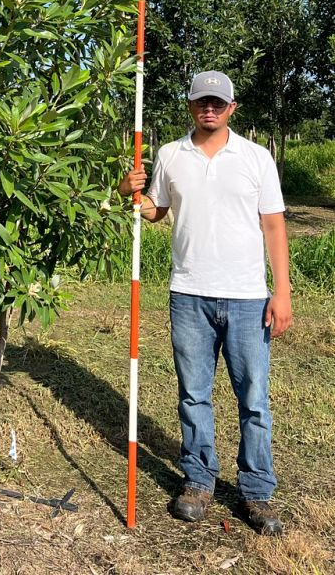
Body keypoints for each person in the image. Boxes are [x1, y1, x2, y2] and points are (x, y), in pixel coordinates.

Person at [119, 70, 292, 536]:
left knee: (253, 400)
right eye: (201, 101)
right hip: (188, 294)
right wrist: (128, 192)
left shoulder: (257, 158)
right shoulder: (170, 155)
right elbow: (155, 210)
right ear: (190, 106)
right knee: (194, 395)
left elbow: (274, 226)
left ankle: (256, 491)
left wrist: (283, 292)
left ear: (232, 107)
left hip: (247, 297)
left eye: (218, 102)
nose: (209, 108)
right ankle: (199, 480)